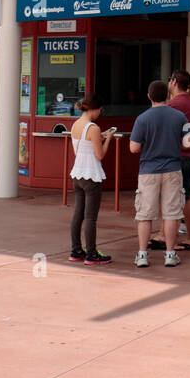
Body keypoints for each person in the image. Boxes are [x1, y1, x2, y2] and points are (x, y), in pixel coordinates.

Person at [128, 80, 189, 268]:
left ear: (149, 96)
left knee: (145, 214)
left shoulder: (142, 118)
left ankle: (142, 255)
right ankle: (170, 254)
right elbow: (188, 143)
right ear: (168, 95)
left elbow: (134, 147)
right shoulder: (180, 117)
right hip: (172, 169)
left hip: (148, 171)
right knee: (171, 213)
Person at [68, 94, 113, 265]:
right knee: (91, 217)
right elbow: (100, 154)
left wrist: (100, 136)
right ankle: (92, 254)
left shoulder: (75, 125)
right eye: (100, 110)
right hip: (92, 175)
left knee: (78, 214)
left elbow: (78, 151)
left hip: (77, 173)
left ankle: (76, 250)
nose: (100, 113)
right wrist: (108, 137)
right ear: (95, 108)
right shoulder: (93, 128)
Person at [165, 69, 190, 251]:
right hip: (189, 154)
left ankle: (186, 237)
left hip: (180, 155)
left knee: (177, 197)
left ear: (174, 82)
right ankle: (187, 236)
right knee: (185, 195)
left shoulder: (175, 104)